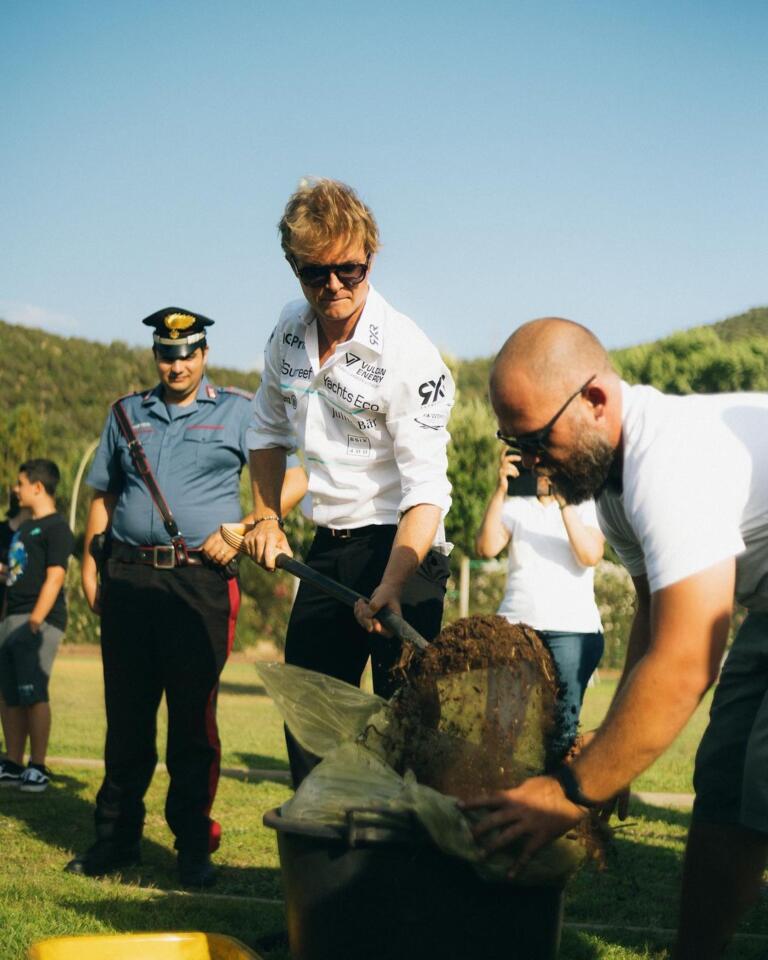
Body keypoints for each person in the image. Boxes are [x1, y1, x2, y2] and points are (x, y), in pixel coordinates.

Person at [463, 316, 768, 960]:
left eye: (539, 441)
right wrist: (613, 743)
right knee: (724, 781)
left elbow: (688, 661)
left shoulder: (669, 459)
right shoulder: (608, 487)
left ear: (596, 401)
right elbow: (656, 615)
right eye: (516, 447)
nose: (533, 464)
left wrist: (569, 790)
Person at [65, 306, 307, 888]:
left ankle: (193, 848)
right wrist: (90, 569)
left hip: (198, 582)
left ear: (204, 354)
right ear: (156, 355)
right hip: (127, 578)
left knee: (193, 722)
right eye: (167, 353)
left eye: (188, 352)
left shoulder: (240, 412)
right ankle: (115, 840)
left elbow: (294, 478)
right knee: (125, 717)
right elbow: (104, 492)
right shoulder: (125, 414)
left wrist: (249, 528)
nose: (177, 363)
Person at [243, 177, 454, 788]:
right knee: (311, 722)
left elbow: (427, 492)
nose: (333, 286)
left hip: (404, 551)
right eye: (315, 273)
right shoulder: (288, 331)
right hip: (329, 547)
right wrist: (264, 518)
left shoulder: (410, 354)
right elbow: (265, 431)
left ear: (371, 257)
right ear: (294, 268)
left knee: (405, 740)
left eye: (349, 270)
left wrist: (391, 583)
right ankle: (324, 870)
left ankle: (402, 876)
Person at [475, 446, 604, 757]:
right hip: (516, 628)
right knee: (502, 725)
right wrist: (501, 491)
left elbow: (589, 555)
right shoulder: (516, 505)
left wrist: (564, 503)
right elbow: (486, 547)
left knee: (560, 730)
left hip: (572, 631)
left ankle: (552, 799)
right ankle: (504, 798)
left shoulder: (586, 503)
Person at [0, 460, 74, 791]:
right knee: (10, 693)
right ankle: (14, 763)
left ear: (37, 487)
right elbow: (18, 573)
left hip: (36, 619)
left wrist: (35, 619)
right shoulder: (25, 528)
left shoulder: (56, 528)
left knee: (33, 690)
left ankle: (38, 765)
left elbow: (56, 576)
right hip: (11, 618)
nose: (16, 489)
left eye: (20, 483)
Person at [0, 490, 32, 758]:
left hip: (19, 614)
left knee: (19, 688)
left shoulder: (36, 531)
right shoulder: (2, 530)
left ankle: (16, 756)